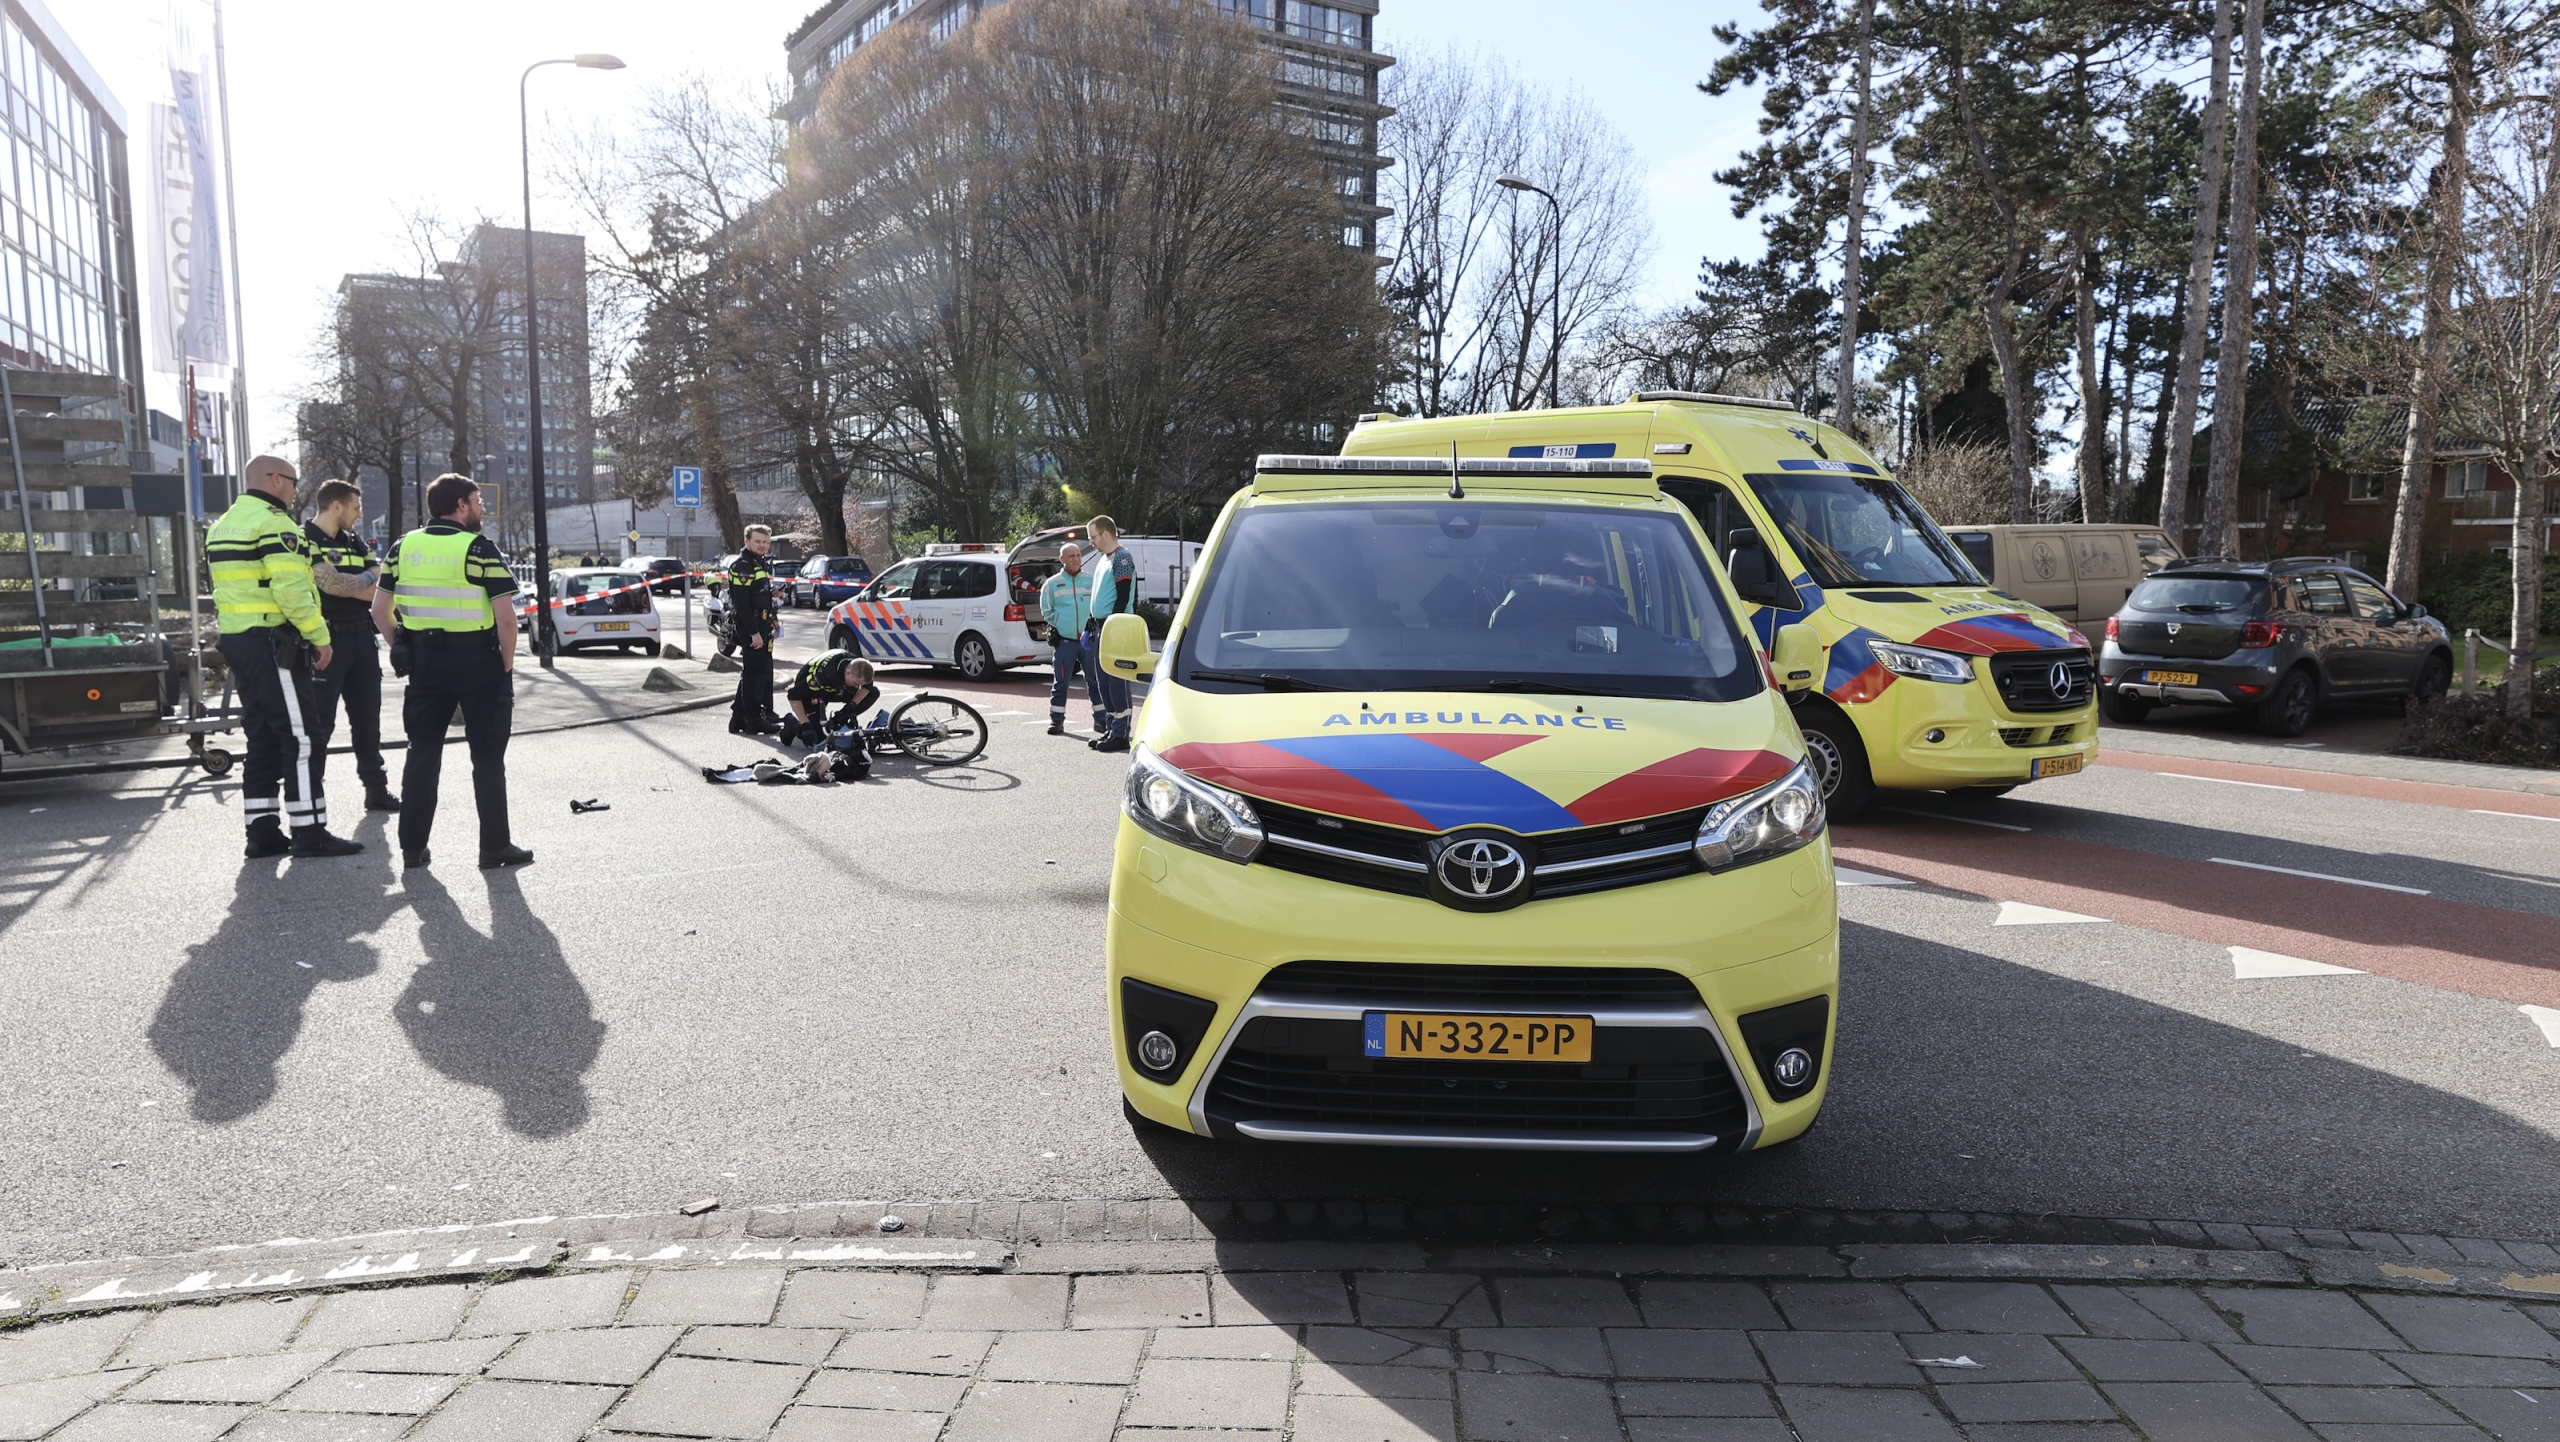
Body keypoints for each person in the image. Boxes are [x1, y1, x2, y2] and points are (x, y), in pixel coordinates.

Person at [372, 474, 532, 872]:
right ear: (460, 504)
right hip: (479, 663)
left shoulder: (401, 547)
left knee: (422, 754)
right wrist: (506, 666)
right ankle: (494, 847)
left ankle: (412, 849)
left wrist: (402, 647)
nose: (481, 507)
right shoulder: (478, 548)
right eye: (477, 501)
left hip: (424, 666)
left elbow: (378, 610)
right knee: (488, 759)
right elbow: (507, 621)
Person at [207, 455, 365, 859]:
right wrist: (320, 637)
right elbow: (291, 590)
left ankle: (262, 832)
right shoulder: (275, 524)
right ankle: (309, 830)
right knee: (302, 737)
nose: (296, 490)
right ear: (275, 480)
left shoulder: (223, 525)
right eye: (293, 482)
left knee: (262, 736)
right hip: (275, 642)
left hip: (240, 641)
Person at [304, 479, 399, 814]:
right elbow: (329, 584)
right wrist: (363, 581)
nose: (360, 514)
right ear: (337, 506)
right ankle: (312, 800)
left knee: (368, 721)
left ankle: (376, 791)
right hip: (325, 641)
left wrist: (355, 583)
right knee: (320, 724)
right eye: (356, 507)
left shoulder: (353, 540)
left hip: (362, 639)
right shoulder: (305, 540)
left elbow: (381, 581)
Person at [1084, 515, 1138, 753]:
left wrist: (1112, 625)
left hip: (1114, 627)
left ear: (1105, 534)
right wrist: (1090, 623)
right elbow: (1099, 595)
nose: (1091, 542)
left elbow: (1124, 595)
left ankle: (1121, 733)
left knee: (1116, 681)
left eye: (1092, 536)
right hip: (1101, 626)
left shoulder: (1122, 558)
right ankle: (1112, 728)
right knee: (1103, 681)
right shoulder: (1104, 559)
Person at [1039, 542, 1103, 737]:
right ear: (1062, 560)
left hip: (1088, 640)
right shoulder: (1051, 584)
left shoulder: (1092, 581)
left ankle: (1101, 721)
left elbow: (1098, 606)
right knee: (1061, 682)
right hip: (1065, 641)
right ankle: (1056, 721)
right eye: (1071, 556)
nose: (1076, 559)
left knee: (1095, 681)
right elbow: (1046, 611)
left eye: (1077, 555)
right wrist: (1059, 623)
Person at [728, 526, 780, 736]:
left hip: (762, 624)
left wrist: (772, 616)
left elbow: (758, 595)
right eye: (758, 542)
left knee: (756, 672)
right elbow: (742, 605)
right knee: (755, 675)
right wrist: (753, 633)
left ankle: (738, 718)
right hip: (751, 626)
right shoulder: (743, 565)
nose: (763, 546)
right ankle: (753, 721)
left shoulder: (759, 563)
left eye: (766, 542)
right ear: (747, 541)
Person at [779, 648, 880, 746]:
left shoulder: (860, 668)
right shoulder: (823, 676)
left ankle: (838, 720)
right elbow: (793, 695)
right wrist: (805, 723)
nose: (857, 687)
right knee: (817, 738)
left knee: (873, 693)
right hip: (814, 692)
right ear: (849, 673)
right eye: (855, 683)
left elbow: (867, 687)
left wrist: (851, 707)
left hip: (836, 689)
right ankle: (792, 724)